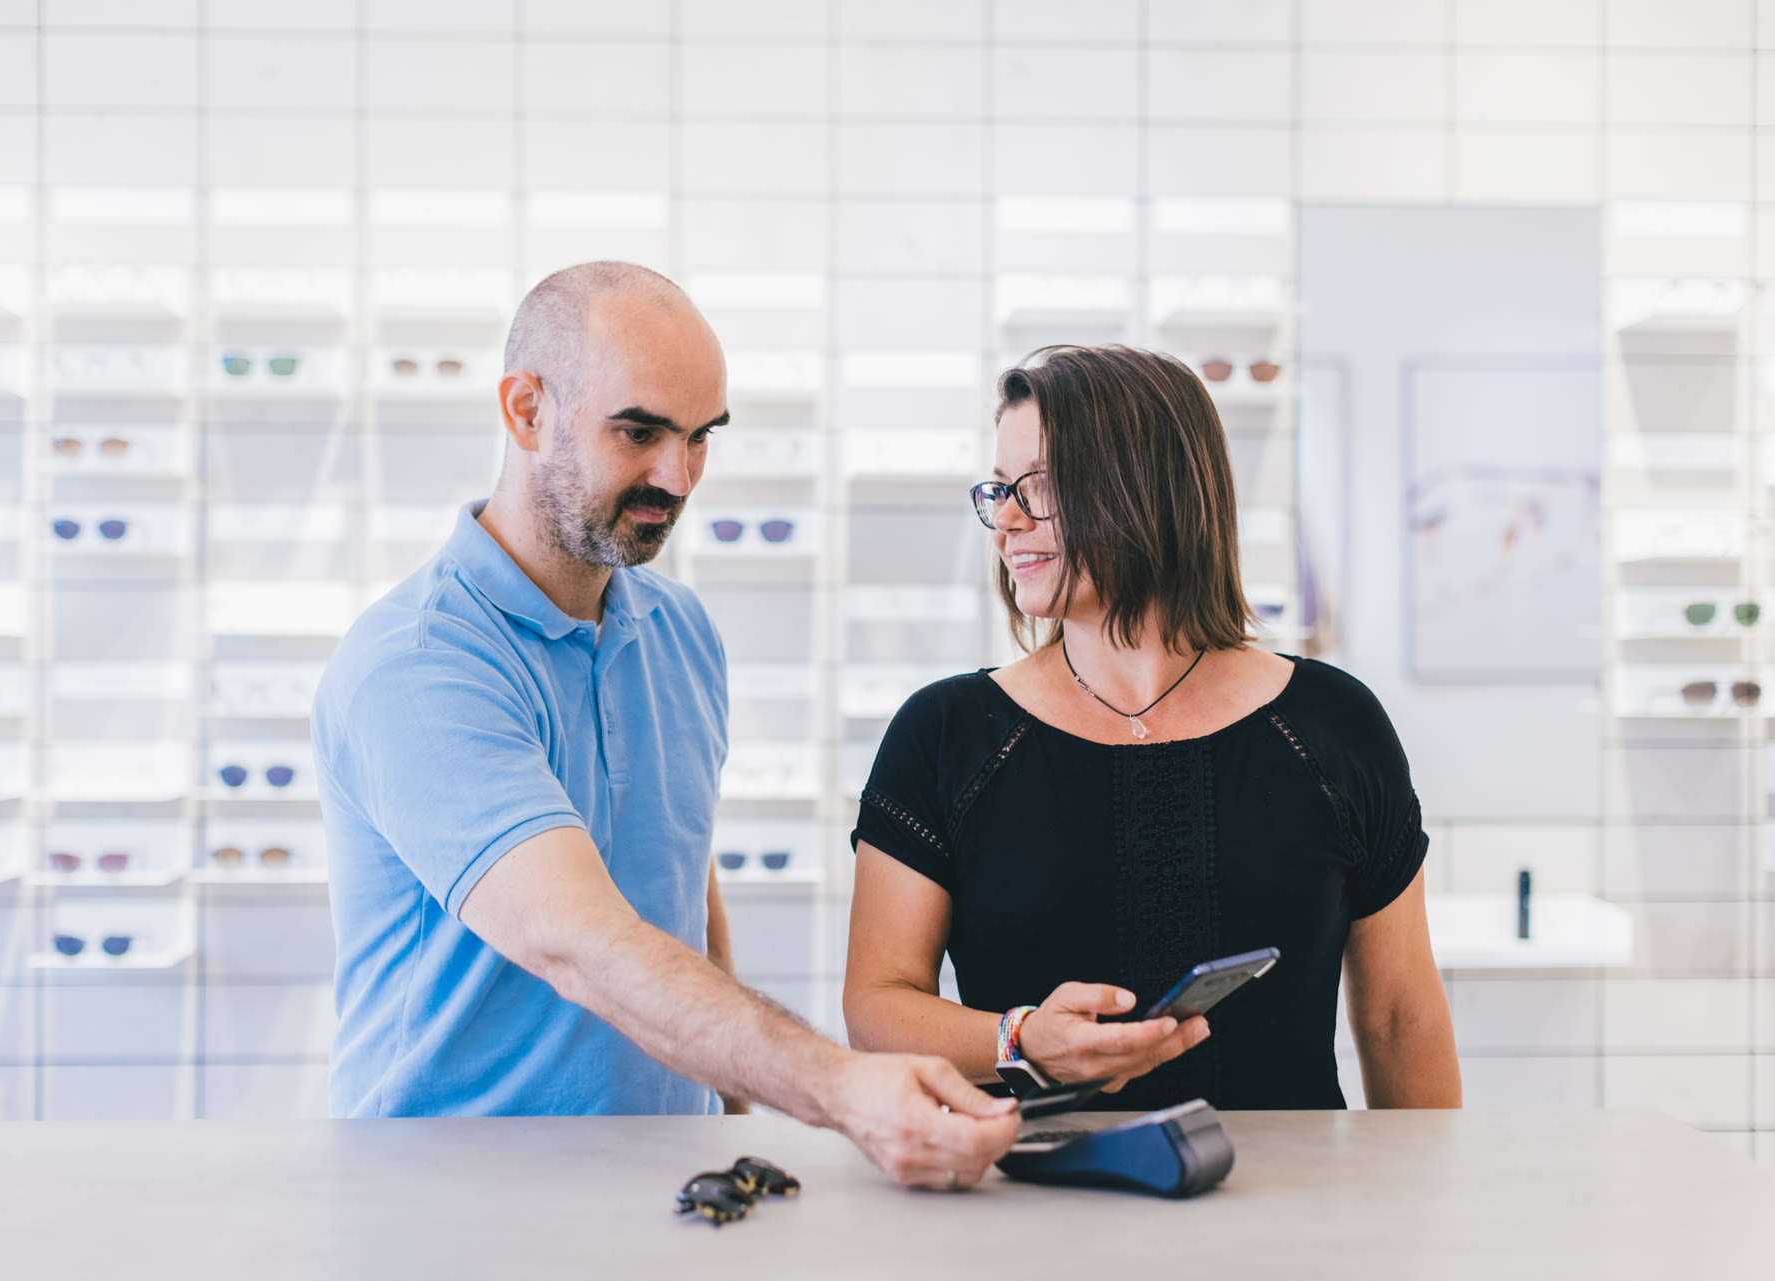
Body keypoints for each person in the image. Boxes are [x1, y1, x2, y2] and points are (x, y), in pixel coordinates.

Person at [311, 261, 1018, 1190]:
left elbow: (681, 878)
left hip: (657, 1184)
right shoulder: (418, 665)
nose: (676, 477)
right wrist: (841, 1089)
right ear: (526, 410)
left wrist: (727, 1122)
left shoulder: (677, 631)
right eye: (639, 431)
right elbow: (582, 940)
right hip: (451, 1198)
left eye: (700, 438)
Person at [844, 344, 1462, 1112]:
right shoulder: (944, 735)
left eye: (1034, 486)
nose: (1005, 521)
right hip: (1028, 1208)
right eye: (999, 489)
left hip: (1299, 1212)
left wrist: (1432, 1211)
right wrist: (1022, 1036)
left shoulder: (1334, 724)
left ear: (1147, 490)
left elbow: (1401, 1016)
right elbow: (876, 1008)